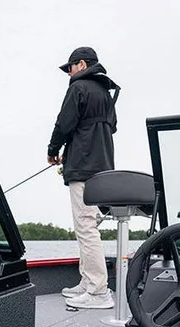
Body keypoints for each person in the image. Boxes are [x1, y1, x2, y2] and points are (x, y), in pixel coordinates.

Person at [47, 46, 120, 309]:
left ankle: (99, 292)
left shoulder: (78, 88)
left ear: (81, 64)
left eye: (69, 68)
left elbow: (64, 123)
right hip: (103, 168)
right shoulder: (105, 92)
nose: (68, 73)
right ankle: (87, 282)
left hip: (83, 167)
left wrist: (53, 151)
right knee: (87, 226)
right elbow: (109, 127)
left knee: (85, 227)